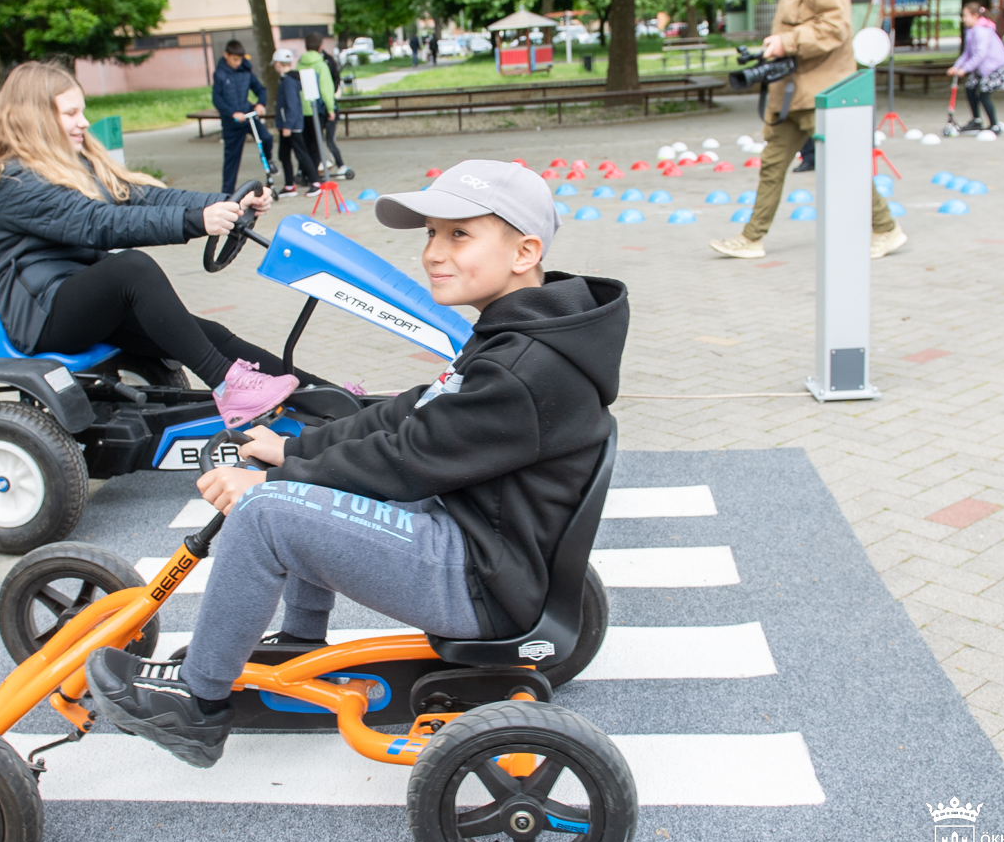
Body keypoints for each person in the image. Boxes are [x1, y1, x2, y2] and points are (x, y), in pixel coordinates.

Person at [84, 160, 630, 767]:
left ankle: (196, 702)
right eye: (430, 233)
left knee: (267, 514)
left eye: (459, 235)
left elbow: (405, 458)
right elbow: (408, 414)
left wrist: (269, 480)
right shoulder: (521, 333)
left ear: (525, 251)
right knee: (316, 480)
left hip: (480, 576)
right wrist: (294, 448)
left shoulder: (521, 368)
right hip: (487, 541)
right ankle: (298, 640)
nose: (433, 253)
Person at [0, 61, 313, 428]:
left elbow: (140, 198)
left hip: (82, 299)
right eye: (71, 112)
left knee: (208, 335)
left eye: (82, 110)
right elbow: (97, 223)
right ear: (35, 118)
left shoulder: (71, 163)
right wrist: (194, 222)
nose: (84, 121)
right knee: (132, 269)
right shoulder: (15, 181)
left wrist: (225, 203)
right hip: (43, 314)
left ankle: (336, 403)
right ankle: (229, 387)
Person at [709, 0, 905, 262]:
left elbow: (836, 27)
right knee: (772, 163)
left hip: (823, 90)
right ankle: (752, 238)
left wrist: (787, 41)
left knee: (845, 163)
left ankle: (886, 228)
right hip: (795, 91)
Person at [212, 40, 274, 194]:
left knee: (266, 138)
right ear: (226, 55)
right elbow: (217, 99)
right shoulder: (220, 74)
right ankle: (226, 193)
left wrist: (260, 104)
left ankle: (269, 162)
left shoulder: (246, 72)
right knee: (232, 160)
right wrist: (232, 113)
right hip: (232, 123)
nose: (237, 63)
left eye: (239, 59)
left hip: (248, 118)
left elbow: (260, 89)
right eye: (234, 59)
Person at [948, 2, 1004, 134]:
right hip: (982, 67)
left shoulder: (981, 30)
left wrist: (964, 69)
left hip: (994, 66)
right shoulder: (971, 31)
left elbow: (980, 54)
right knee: (970, 88)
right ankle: (976, 120)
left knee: (984, 94)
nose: (963, 19)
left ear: (975, 16)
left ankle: (994, 124)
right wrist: (956, 67)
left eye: (965, 15)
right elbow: (967, 53)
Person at [270, 49, 319, 198]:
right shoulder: (287, 79)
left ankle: (315, 182)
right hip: (289, 124)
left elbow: (292, 105)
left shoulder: (288, 81)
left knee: (301, 153)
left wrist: (288, 125)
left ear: (278, 64)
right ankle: (289, 185)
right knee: (283, 155)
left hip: (291, 126)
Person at [297, 35, 338, 189]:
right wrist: (330, 108)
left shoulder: (299, 64)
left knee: (306, 144)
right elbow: (326, 89)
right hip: (317, 110)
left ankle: (307, 174)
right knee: (315, 144)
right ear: (320, 46)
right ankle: (314, 176)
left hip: (302, 110)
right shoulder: (321, 65)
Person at [318, 38, 349, 175]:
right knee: (316, 140)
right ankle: (321, 163)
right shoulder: (309, 62)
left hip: (329, 107)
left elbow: (335, 79)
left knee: (330, 140)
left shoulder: (328, 60)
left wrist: (332, 95)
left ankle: (340, 164)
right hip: (317, 109)